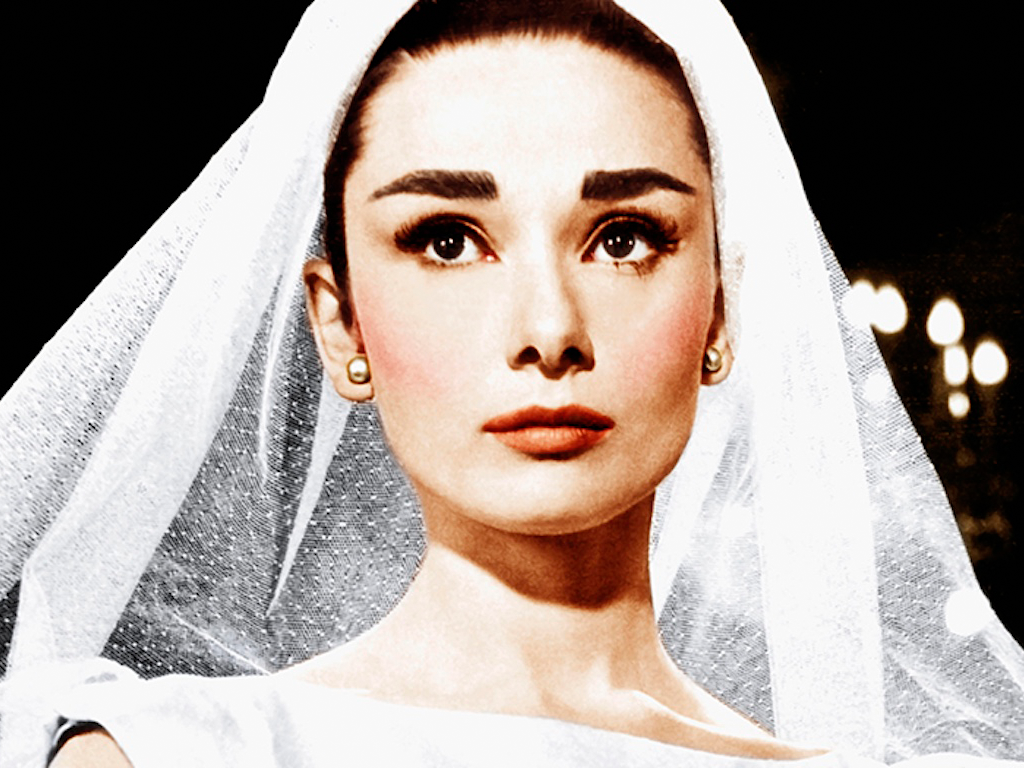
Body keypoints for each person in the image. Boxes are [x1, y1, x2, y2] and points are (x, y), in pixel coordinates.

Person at [1, 0, 1021, 765]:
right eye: (447, 240)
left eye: (624, 238)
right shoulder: (166, 756)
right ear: (339, 319)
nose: (548, 332)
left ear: (719, 310)